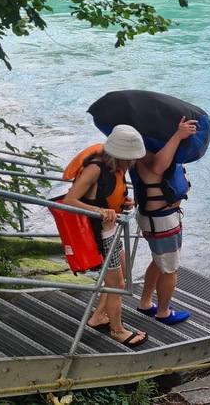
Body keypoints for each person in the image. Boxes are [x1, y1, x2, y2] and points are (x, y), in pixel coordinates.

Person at [62, 124, 148, 347]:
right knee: (116, 284)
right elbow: (70, 201)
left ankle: (99, 317)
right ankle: (117, 331)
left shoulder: (115, 167)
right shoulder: (96, 169)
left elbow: (109, 194)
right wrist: (100, 211)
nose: (133, 162)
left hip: (110, 230)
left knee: (121, 276)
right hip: (99, 235)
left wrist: (123, 203)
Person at [132, 117, 197, 325]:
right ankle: (163, 313)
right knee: (170, 268)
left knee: (159, 260)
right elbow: (159, 167)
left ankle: (145, 302)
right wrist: (178, 135)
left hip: (157, 218)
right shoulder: (146, 154)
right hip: (161, 221)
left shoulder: (140, 151)